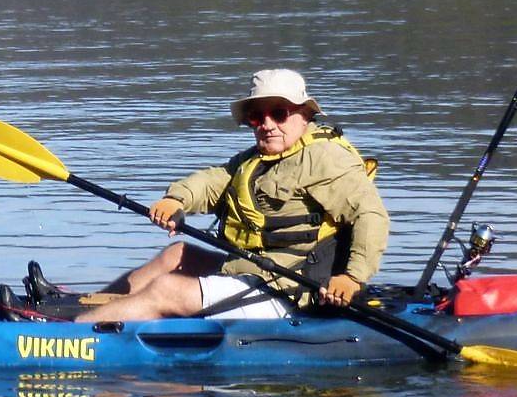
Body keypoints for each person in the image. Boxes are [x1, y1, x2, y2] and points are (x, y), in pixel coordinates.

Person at [73, 69, 389, 323]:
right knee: (177, 253)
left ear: (304, 115)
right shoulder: (257, 159)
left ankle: (75, 337)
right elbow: (214, 181)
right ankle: (87, 313)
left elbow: (371, 215)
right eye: (257, 117)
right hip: (251, 272)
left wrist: (351, 277)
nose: (267, 125)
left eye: (279, 113)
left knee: (168, 289)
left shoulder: (325, 158)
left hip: (292, 290)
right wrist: (176, 199)